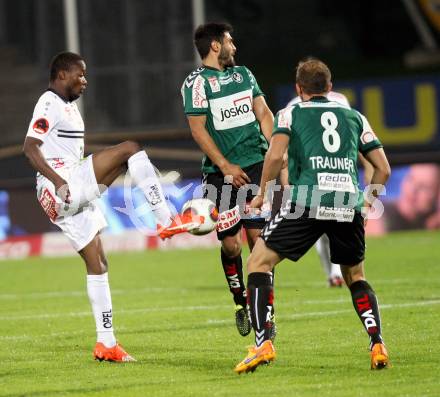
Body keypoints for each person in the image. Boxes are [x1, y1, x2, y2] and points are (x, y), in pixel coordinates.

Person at [23, 52, 198, 362]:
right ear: (62, 74)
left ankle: (106, 343)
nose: (85, 80)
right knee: (131, 149)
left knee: (98, 264)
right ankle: (165, 219)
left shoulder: (68, 108)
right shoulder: (49, 102)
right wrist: (59, 181)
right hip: (61, 185)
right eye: (80, 74)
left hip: (62, 195)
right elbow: (30, 147)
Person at [234, 59, 391, 374]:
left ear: (298, 89)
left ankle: (263, 342)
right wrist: (367, 203)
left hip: (307, 200)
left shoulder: (290, 113)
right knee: (355, 277)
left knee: (258, 263)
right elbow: (383, 168)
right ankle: (377, 344)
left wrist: (263, 193)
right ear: (330, 88)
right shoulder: (355, 116)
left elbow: (276, 155)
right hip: (347, 202)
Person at [176, 22, 276, 338]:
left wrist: (276, 151)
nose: (234, 45)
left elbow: (264, 114)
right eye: (229, 40)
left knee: (259, 244)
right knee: (231, 245)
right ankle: (240, 302)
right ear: (215, 46)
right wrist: (225, 165)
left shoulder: (244, 74)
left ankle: (267, 317)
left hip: (257, 166)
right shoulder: (195, 84)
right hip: (221, 174)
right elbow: (197, 129)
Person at [286, 88, 374, 287]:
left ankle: (335, 272)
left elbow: (287, 146)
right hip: (338, 175)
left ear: (299, 86)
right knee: (331, 228)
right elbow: (353, 136)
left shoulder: (293, 106)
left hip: (314, 174)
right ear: (328, 83)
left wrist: (289, 181)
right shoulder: (341, 100)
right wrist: (368, 165)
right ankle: (334, 273)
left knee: (327, 228)